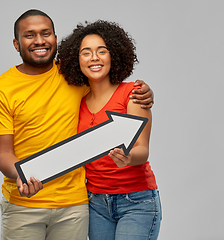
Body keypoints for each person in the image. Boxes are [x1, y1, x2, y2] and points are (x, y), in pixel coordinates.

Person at [0, 9, 154, 240]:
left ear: (55, 38)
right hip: (25, 203)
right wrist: (20, 175)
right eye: (29, 35)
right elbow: (3, 153)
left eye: (46, 33)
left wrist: (144, 92)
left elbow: (107, 85)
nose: (40, 41)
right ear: (16, 43)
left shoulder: (73, 77)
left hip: (76, 206)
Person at [57, 20, 162, 240]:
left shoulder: (132, 94)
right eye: (86, 52)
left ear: (113, 55)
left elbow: (143, 149)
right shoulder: (77, 102)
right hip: (95, 204)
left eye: (101, 51)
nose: (94, 57)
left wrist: (129, 157)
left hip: (136, 201)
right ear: (77, 61)